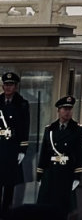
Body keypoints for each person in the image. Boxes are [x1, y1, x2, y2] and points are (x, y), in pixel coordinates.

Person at [34, 101, 82, 218]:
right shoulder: (50, 129)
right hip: (50, 172)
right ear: (58, 110)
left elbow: (79, 152)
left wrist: (77, 176)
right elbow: (44, 153)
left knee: (63, 208)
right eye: (64, 109)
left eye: (69, 109)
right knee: (45, 206)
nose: (67, 112)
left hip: (66, 172)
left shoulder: (77, 129)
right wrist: (40, 173)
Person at [0, 73, 31, 215]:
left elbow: (25, 128)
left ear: (16, 87)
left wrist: (22, 149)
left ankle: (6, 211)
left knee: (9, 183)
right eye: (6, 84)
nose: (7, 87)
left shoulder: (22, 104)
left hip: (12, 149)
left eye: (10, 84)